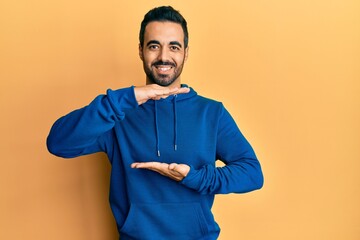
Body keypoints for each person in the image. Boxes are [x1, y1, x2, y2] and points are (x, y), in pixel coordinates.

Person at [47, 6, 263, 240]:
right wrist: (125, 99)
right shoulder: (119, 114)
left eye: (174, 46)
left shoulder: (211, 113)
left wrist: (194, 178)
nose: (163, 56)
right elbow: (58, 143)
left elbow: (252, 173)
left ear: (185, 53)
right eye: (154, 45)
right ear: (141, 51)